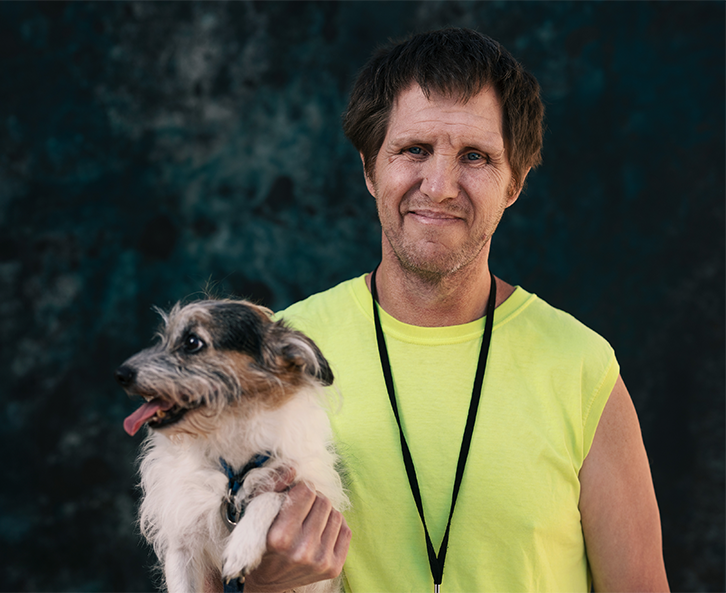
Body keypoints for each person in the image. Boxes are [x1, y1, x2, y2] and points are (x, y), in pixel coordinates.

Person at [245, 28, 667, 592]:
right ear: (370, 168)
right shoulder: (281, 356)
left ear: (514, 182)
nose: (440, 187)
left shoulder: (583, 368)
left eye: (475, 157)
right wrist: (266, 584)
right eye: (414, 150)